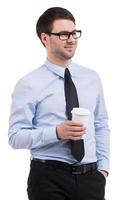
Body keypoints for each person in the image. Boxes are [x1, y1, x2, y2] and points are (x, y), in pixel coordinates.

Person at [8, 7, 110, 200]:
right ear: (45, 38)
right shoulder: (28, 84)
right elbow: (15, 137)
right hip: (48, 178)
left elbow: (101, 125)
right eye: (63, 34)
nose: (71, 39)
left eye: (74, 33)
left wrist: (103, 169)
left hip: (91, 178)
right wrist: (56, 132)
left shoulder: (91, 78)